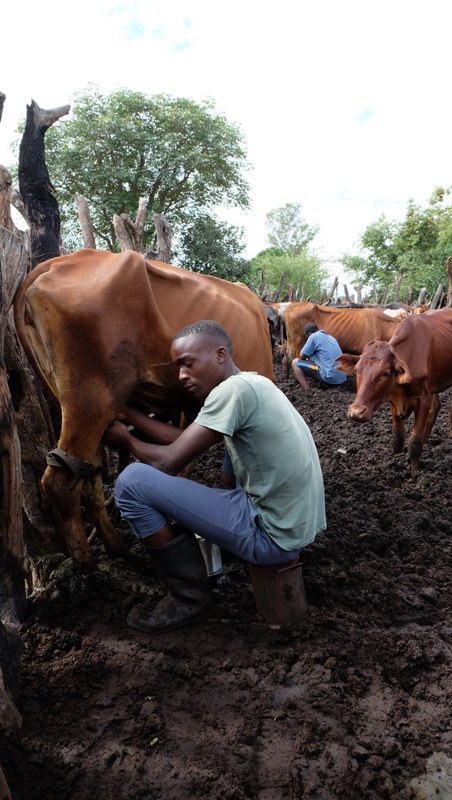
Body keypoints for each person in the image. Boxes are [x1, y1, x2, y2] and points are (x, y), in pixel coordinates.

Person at [103, 319, 326, 634]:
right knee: (228, 455)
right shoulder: (254, 383)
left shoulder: (231, 392)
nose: (182, 376)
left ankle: (188, 599)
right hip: (294, 526)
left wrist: (125, 440)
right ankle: (221, 548)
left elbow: (169, 462)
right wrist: (130, 415)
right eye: (179, 367)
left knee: (131, 483)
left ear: (220, 354)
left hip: (271, 536)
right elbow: (184, 439)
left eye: (188, 363)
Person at [291, 322, 347, 390]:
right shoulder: (331, 337)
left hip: (330, 377)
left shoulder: (313, 336)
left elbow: (302, 356)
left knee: (295, 363)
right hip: (342, 378)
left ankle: (307, 390)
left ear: (309, 333)